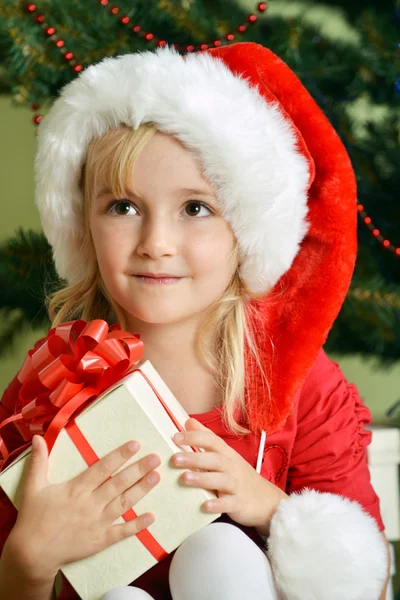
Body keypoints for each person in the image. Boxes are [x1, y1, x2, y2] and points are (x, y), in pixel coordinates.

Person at [0, 41, 390, 600]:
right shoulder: (54, 384)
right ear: (83, 224)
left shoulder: (298, 383)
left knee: (219, 553)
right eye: (123, 207)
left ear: (245, 231)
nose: (156, 244)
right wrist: (30, 562)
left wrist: (272, 510)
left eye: (196, 208)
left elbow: (369, 589)